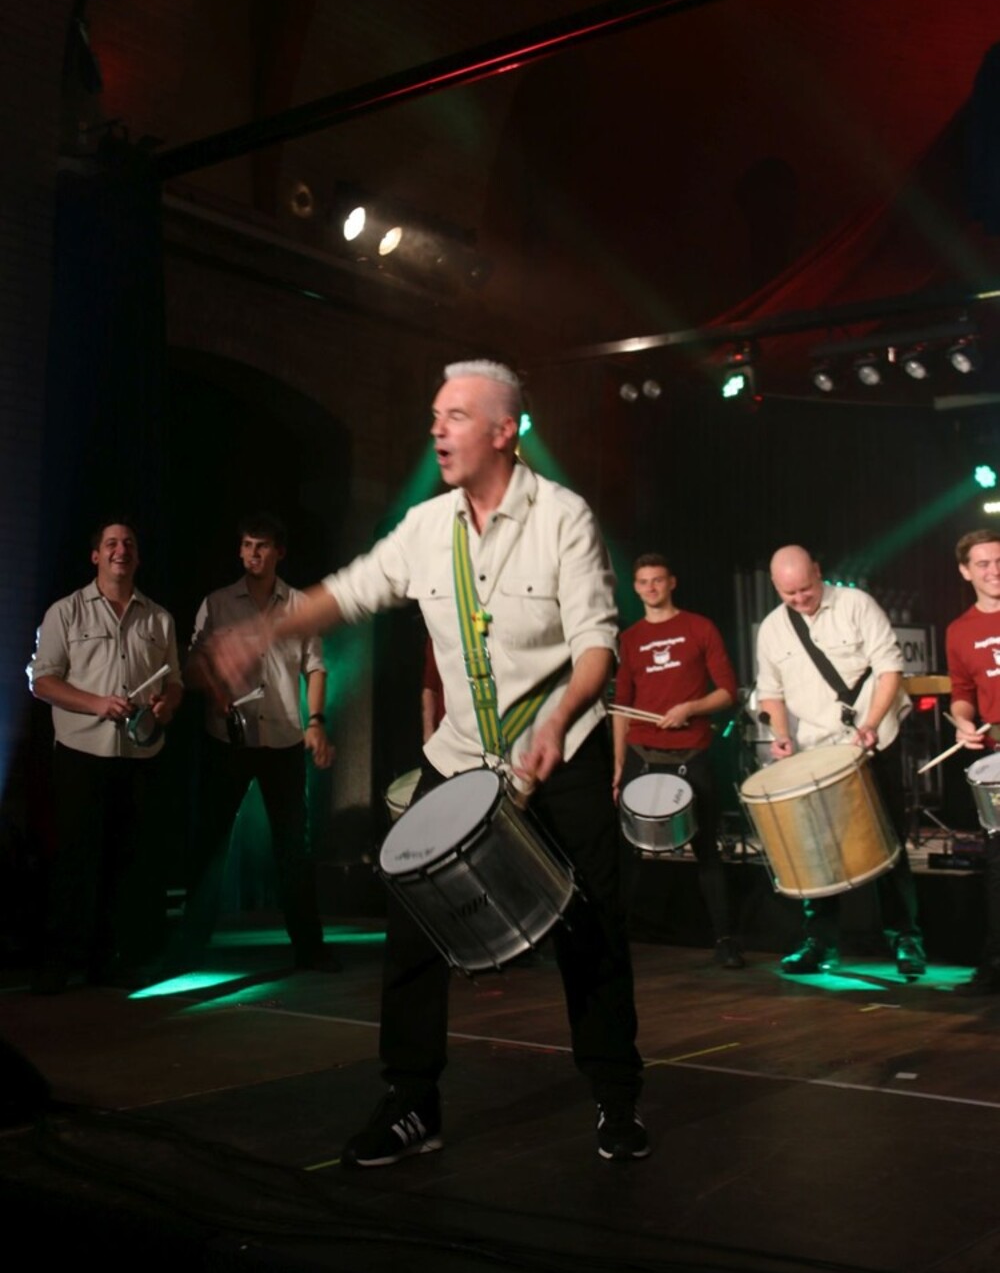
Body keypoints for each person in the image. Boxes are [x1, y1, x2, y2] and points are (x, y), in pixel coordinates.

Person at [208, 361, 647, 1164]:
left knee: (591, 926)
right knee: (411, 918)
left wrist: (557, 720)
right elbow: (348, 590)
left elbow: (597, 645)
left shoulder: (562, 517)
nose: (437, 429)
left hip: (562, 747)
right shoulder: (426, 525)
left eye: (456, 416)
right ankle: (412, 1101)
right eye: (435, 415)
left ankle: (616, 1095)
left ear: (504, 431)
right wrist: (266, 630)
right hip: (466, 752)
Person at [755, 544, 925, 977]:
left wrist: (871, 723)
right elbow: (770, 691)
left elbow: (889, 668)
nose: (800, 598)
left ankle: (905, 938)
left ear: (818, 570)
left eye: (806, 588)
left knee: (888, 841)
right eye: (789, 592)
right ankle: (820, 942)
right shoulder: (773, 628)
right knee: (818, 848)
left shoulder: (855, 604)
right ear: (775, 586)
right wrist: (781, 735)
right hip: (816, 749)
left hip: (873, 742)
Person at [27, 519, 183, 992]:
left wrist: (166, 705)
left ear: (138, 556)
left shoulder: (159, 618)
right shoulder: (65, 611)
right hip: (81, 752)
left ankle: (107, 960)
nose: (121, 549)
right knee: (74, 860)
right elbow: (43, 681)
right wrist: (97, 703)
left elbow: (174, 682)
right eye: (111, 543)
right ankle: (59, 962)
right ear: (95, 555)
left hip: (138, 754)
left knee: (124, 861)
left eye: (129, 543)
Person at [179, 512, 336, 972]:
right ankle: (191, 945)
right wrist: (217, 691)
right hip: (228, 737)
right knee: (211, 841)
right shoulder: (217, 603)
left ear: (279, 552)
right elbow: (191, 666)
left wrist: (316, 722)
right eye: (247, 545)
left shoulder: (300, 605)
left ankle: (309, 947)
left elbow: (315, 667)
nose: (253, 553)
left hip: (283, 737)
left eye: (262, 546)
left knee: (293, 847)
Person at [612, 554, 744, 968]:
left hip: (691, 751)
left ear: (672, 582)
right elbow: (621, 709)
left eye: (657, 580)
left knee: (706, 850)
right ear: (636, 588)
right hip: (641, 753)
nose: (650, 588)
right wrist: (617, 766)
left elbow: (728, 692)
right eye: (643, 582)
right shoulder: (629, 639)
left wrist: (690, 708)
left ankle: (725, 940)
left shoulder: (700, 628)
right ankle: (613, 942)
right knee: (625, 854)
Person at [945, 528, 1000, 994]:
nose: (994, 570)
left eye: (999, 561)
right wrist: (962, 723)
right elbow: (962, 694)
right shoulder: (959, 631)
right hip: (998, 755)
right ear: (966, 572)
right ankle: (996, 964)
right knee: (998, 867)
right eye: (983, 564)